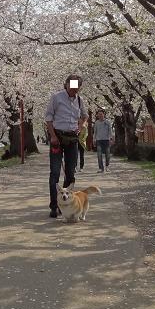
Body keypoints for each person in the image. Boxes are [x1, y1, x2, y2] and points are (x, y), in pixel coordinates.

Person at [45, 74, 87, 218]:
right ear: (66, 85)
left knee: (70, 173)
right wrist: (53, 136)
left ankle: (66, 204)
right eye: (71, 87)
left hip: (72, 138)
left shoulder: (80, 100)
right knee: (55, 172)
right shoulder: (56, 98)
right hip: (57, 136)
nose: (73, 91)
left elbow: (85, 116)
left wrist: (80, 127)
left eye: (77, 88)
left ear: (79, 88)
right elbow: (48, 118)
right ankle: (54, 206)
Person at [93, 109, 113, 173]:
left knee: (107, 154)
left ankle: (107, 166)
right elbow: (95, 132)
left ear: (104, 114)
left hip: (106, 140)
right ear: (97, 115)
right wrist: (94, 139)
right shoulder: (96, 123)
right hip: (99, 140)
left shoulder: (107, 122)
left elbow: (110, 131)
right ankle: (101, 168)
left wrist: (111, 138)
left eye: (101, 114)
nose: (100, 115)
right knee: (99, 154)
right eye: (99, 114)